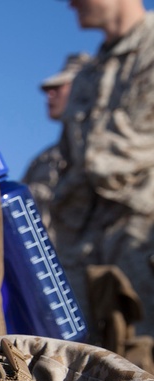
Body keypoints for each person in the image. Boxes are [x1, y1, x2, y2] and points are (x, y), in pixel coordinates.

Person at [50, 0, 154, 336]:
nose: (70, 3)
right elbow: (69, 160)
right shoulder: (86, 77)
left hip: (141, 237)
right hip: (81, 248)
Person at [22, 53, 91, 232]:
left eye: (58, 87)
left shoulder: (109, 149)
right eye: (48, 90)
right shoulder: (42, 160)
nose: (49, 95)